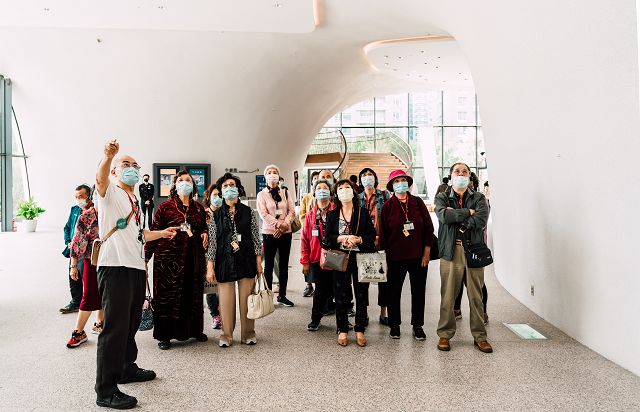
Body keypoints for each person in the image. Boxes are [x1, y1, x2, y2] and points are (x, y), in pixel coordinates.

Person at [94, 139, 179, 409]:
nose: (130, 169)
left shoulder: (133, 198)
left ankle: (126, 368)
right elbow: (99, 179)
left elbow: (139, 234)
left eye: (134, 165)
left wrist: (162, 233)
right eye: (125, 165)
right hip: (115, 267)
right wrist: (108, 157)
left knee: (130, 325)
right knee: (114, 329)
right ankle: (105, 390)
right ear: (115, 172)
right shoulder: (109, 192)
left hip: (134, 267)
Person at [144, 170, 209, 350]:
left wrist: (204, 233)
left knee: (192, 294)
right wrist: (145, 258)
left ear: (193, 185)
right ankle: (164, 335)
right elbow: (154, 232)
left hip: (192, 258)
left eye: (188, 180)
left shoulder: (198, 208)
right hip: (168, 261)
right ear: (174, 185)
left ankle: (194, 330)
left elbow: (203, 226)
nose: (184, 183)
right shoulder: (165, 207)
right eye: (180, 180)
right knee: (167, 296)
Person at [434, 162, 492, 353]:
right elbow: (444, 218)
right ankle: (444, 335)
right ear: (450, 175)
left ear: (469, 176)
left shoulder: (479, 198)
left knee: (476, 296)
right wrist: (468, 212)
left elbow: (481, 220)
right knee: (448, 297)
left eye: (464, 171)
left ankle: (480, 337)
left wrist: (456, 215)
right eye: (457, 171)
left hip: (473, 251)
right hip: (451, 252)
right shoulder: (442, 196)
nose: (461, 174)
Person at [206, 173, 263, 347]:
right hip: (224, 261)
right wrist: (210, 266)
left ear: (238, 189)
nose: (229, 188)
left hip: (246, 260)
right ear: (221, 191)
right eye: (225, 186)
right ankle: (226, 335)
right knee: (225, 301)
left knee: (247, 300)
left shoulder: (248, 212)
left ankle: (248, 333)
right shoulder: (215, 215)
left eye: (232, 185)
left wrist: (258, 261)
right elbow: (213, 243)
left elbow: (255, 237)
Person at [379, 170, 435, 341]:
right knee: (393, 292)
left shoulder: (417, 203)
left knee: (418, 292)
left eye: (403, 180)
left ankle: (417, 325)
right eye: (397, 181)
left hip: (418, 256)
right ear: (391, 186)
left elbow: (429, 228)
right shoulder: (387, 206)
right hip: (395, 258)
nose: (400, 184)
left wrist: (427, 252)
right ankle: (394, 325)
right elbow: (383, 234)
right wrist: (384, 260)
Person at [324, 179, 376, 347]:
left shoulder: (363, 212)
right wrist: (342, 238)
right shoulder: (332, 214)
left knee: (362, 293)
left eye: (348, 187)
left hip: (360, 258)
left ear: (353, 192)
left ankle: (360, 328)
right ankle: (343, 329)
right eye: (341, 188)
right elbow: (327, 239)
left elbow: (371, 235)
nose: (344, 190)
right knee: (340, 294)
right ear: (336, 193)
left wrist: (359, 239)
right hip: (340, 257)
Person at [66, 188, 103, 348]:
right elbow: (76, 243)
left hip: (114, 260)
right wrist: (73, 266)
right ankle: (78, 331)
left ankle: (100, 322)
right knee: (88, 295)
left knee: (105, 292)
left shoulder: (114, 212)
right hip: (92, 260)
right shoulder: (87, 215)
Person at [257, 164, 295, 307]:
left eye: (275, 172)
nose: (272, 174)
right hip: (269, 233)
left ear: (279, 176)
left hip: (286, 233)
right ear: (265, 176)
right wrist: (279, 225)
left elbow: (292, 211)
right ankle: (268, 297)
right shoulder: (262, 194)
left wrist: (285, 224)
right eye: (270, 172)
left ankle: (282, 295)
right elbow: (263, 214)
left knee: (284, 265)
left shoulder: (285, 192)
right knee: (269, 265)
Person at [300, 179, 335, 331]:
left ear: (330, 192)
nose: (322, 190)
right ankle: (316, 319)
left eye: (325, 188)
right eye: (319, 188)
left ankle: (343, 321)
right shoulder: (310, 215)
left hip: (336, 257)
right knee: (320, 291)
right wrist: (305, 261)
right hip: (316, 258)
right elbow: (304, 240)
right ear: (314, 192)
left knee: (339, 290)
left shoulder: (337, 211)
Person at [357, 167, 390, 326]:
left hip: (382, 241)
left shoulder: (384, 195)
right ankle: (363, 313)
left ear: (375, 178)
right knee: (364, 278)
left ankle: (384, 312)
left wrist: (381, 237)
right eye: (364, 175)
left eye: (370, 175)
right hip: (364, 242)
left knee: (383, 278)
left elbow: (389, 219)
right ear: (360, 179)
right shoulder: (357, 198)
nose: (367, 178)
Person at [60, 185, 91, 314]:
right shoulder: (74, 210)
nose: (78, 199)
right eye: (76, 197)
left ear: (88, 196)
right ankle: (75, 302)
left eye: (81, 196)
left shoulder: (94, 210)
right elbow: (67, 227)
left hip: (88, 251)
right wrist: (68, 242)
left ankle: (91, 303)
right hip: (74, 250)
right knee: (73, 275)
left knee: (89, 278)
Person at [202, 183, 223, 330]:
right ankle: (215, 315)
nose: (217, 198)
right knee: (210, 287)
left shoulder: (226, 214)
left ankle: (223, 313)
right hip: (207, 256)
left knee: (222, 287)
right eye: (215, 195)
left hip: (223, 255)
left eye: (219, 195)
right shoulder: (203, 214)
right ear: (208, 197)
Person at [299, 170, 321, 298]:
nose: (317, 180)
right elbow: (302, 214)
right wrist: (309, 226)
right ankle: (308, 285)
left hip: (321, 235)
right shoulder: (307, 197)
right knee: (307, 259)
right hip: (309, 233)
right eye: (315, 178)